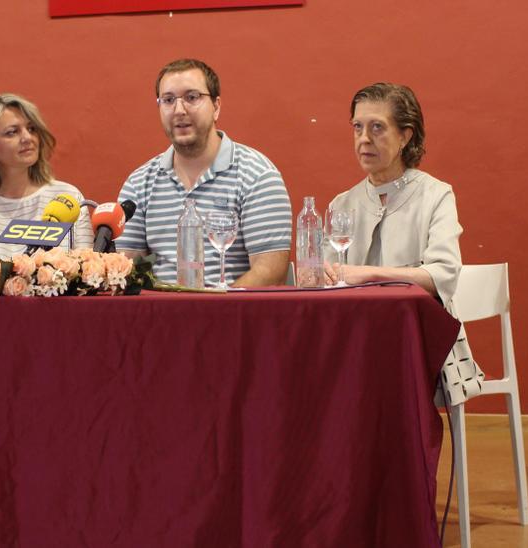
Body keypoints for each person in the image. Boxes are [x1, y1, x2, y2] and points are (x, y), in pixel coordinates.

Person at [322, 83, 483, 405]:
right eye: (357, 127)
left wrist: (368, 274)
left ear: (405, 136)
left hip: (417, 340)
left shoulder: (436, 195)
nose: (364, 139)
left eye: (377, 127)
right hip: (356, 338)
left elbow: (443, 275)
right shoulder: (342, 204)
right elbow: (327, 276)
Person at [115, 58, 292, 286]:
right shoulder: (139, 184)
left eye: (192, 97)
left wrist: (210, 313)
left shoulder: (257, 175)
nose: (179, 110)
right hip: (160, 316)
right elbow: (125, 269)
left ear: (216, 106)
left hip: (233, 316)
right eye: (168, 100)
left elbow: (270, 271)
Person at [0, 94, 93, 256]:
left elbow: (86, 267)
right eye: (12, 132)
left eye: (31, 129)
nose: (27, 138)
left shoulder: (68, 198)